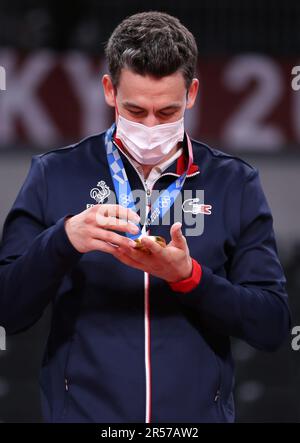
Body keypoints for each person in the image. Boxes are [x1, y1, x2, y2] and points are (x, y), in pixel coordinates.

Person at [0, 11, 291, 423]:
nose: (151, 126)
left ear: (191, 93)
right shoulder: (54, 174)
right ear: (109, 90)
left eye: (168, 112)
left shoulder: (235, 183)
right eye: (135, 111)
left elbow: (272, 326)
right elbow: (8, 310)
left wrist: (189, 277)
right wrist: (63, 239)